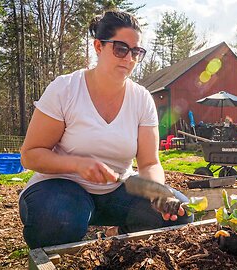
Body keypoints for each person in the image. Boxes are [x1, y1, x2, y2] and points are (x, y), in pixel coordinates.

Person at [18, 10, 193, 249]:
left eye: (136, 52)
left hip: (118, 188)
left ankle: (119, 234)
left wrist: (159, 193)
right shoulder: (66, 89)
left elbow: (149, 163)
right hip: (61, 185)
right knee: (59, 220)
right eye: (121, 48)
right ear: (98, 46)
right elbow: (31, 154)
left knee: (177, 215)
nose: (129, 58)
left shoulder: (141, 99)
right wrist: (78, 165)